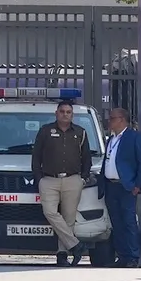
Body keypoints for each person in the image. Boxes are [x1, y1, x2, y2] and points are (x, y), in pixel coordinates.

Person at [31, 100, 92, 267]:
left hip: (73, 180)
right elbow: (36, 157)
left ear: (72, 115)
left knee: (69, 219)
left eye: (68, 112)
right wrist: (39, 178)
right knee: (50, 212)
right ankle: (76, 245)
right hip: (49, 180)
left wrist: (83, 178)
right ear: (56, 113)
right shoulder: (45, 131)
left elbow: (87, 158)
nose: (65, 114)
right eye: (62, 111)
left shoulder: (80, 132)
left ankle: (62, 255)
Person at [100, 108, 141, 268]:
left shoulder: (134, 137)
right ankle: (122, 256)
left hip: (126, 187)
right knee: (117, 223)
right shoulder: (111, 139)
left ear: (121, 119)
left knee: (128, 222)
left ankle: (133, 257)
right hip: (110, 186)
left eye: (112, 118)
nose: (109, 121)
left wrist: (137, 184)